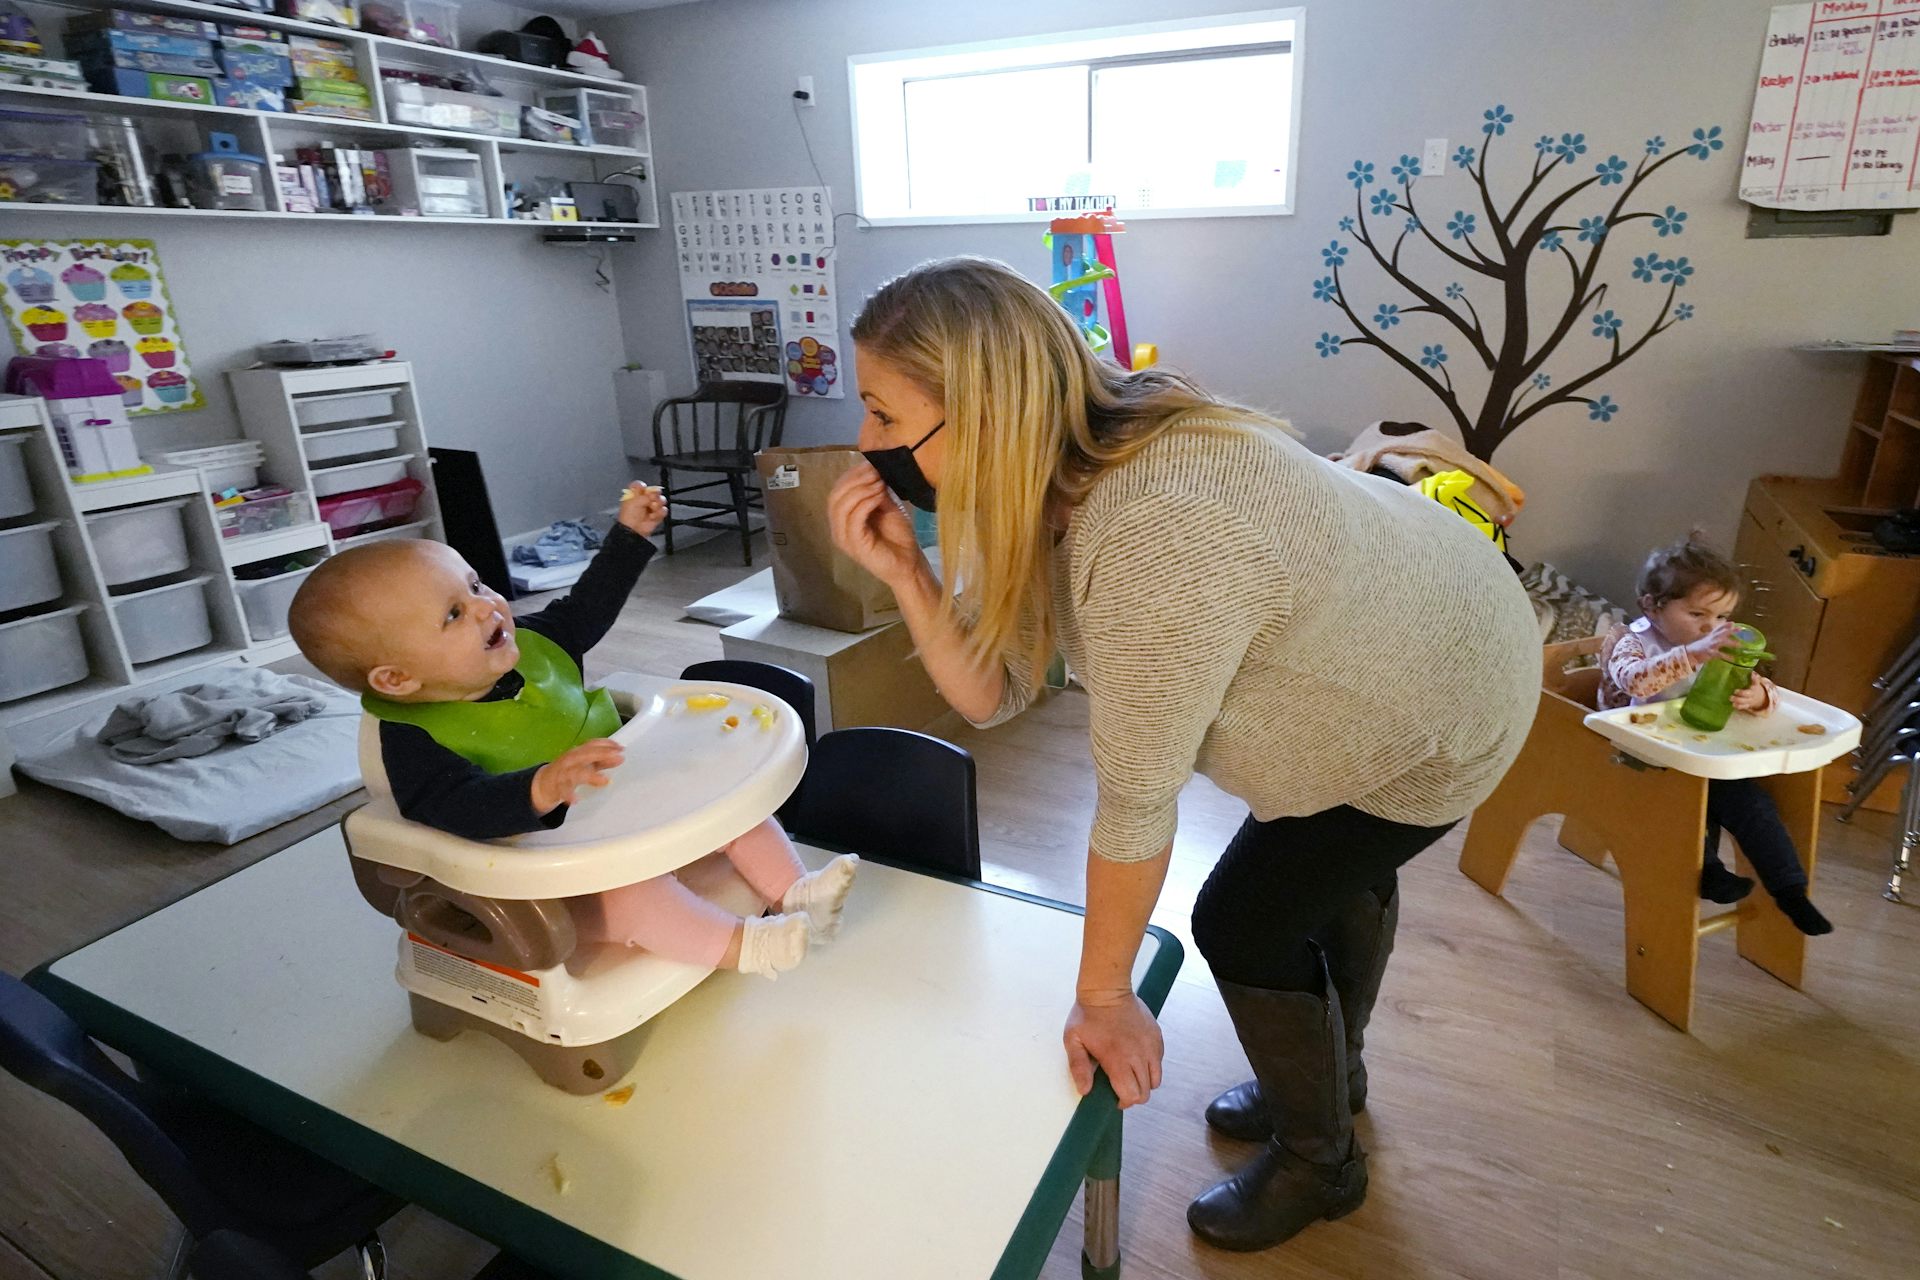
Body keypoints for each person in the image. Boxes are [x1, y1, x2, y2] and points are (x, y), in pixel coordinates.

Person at [827, 256, 1540, 1252]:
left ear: (984, 412)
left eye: (884, 416)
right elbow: (999, 691)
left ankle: (1321, 1158)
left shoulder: (1157, 522)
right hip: (1418, 628)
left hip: (1448, 691)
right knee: (1306, 879)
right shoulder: (1067, 452)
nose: (864, 443)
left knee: (1245, 918)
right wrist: (907, 569)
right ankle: (1334, 1075)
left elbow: (1135, 802)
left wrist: (1106, 995)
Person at [288, 485, 857, 979]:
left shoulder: (531, 646)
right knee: (635, 896)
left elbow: (587, 608)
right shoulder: (413, 737)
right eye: (453, 615)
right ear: (397, 678)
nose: (488, 609)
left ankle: (796, 890)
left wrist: (628, 537)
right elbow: (447, 807)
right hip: (555, 874)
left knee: (735, 808)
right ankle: (749, 948)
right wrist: (536, 790)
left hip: (624, 811)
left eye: (478, 586)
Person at [1598, 534, 1832, 934]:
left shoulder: (1715, 644)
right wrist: (1692, 655)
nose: (1713, 628)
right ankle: (1709, 872)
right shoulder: (1633, 642)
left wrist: (1758, 696)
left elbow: (1759, 683)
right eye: (1698, 615)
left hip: (1698, 750)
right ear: (1651, 606)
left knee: (1752, 803)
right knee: (1691, 804)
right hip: (1637, 757)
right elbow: (1635, 683)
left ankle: (1790, 891)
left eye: (1722, 618)